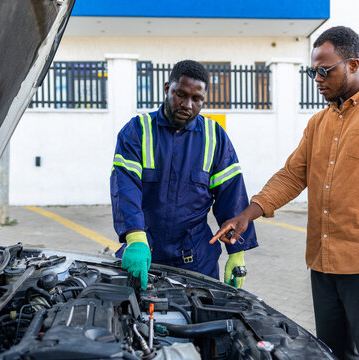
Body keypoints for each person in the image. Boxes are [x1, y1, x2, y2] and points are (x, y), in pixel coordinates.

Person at [211, 26, 359, 360]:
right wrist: (246, 215)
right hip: (324, 266)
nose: (317, 78)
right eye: (313, 71)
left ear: (353, 64)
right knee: (332, 352)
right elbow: (291, 176)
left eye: (324, 70)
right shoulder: (318, 123)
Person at [110, 60, 257, 290]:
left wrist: (237, 253)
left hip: (197, 260)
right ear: (167, 88)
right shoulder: (137, 130)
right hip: (144, 253)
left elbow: (232, 195)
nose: (187, 104)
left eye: (196, 99)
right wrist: (135, 237)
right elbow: (125, 187)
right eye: (181, 94)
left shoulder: (214, 137)